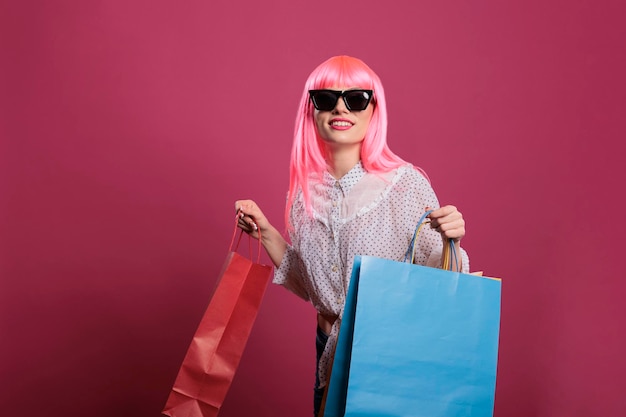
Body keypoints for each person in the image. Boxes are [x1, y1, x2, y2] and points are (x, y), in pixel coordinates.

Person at [235, 55, 469, 417]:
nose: (340, 108)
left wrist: (450, 241)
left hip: (389, 351)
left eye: (356, 98)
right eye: (326, 99)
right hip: (328, 347)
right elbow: (313, 285)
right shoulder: (303, 194)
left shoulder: (405, 185)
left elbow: (439, 279)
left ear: (374, 109)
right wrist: (265, 232)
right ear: (311, 111)